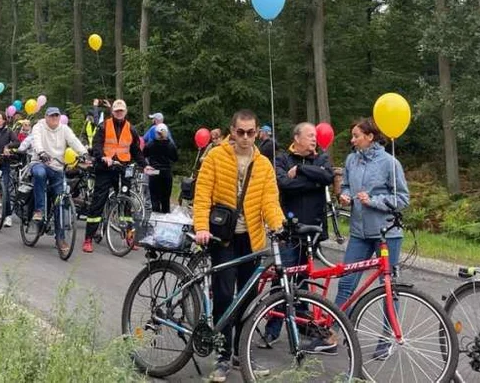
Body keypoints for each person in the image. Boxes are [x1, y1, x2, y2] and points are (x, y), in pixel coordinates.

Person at [193, 110, 285, 382]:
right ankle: (222, 356)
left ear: (257, 132)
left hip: (252, 238)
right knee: (224, 296)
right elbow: (202, 194)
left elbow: (270, 200)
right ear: (232, 131)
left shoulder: (264, 164)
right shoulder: (215, 156)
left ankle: (240, 353)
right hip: (222, 238)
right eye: (241, 132)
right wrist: (201, 227)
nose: (246, 137)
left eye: (251, 132)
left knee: (246, 300)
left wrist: (279, 225)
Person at [265, 122, 336, 348]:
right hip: (289, 231)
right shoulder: (282, 159)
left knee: (304, 283)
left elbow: (327, 177)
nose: (314, 139)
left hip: (313, 232)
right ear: (296, 138)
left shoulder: (321, 157)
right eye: (309, 135)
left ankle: (304, 327)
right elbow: (284, 184)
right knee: (282, 280)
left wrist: (303, 171)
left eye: (315, 135)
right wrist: (312, 181)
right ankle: (272, 329)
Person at [336, 118, 410, 323]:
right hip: (359, 233)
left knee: (387, 286)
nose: (352, 140)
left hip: (386, 234)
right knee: (346, 282)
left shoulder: (389, 163)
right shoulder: (352, 160)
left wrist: (373, 201)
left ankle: (388, 337)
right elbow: (346, 186)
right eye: (352, 136)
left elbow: (403, 199)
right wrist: (345, 195)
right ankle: (331, 332)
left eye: (356, 136)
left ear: (370, 137)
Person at [20, 107, 89, 255]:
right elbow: (36, 140)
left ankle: (61, 239)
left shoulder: (64, 129)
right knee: (39, 174)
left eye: (57, 116)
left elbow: (74, 141)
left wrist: (84, 153)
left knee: (60, 202)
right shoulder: (39, 126)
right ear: (46, 117)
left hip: (58, 167)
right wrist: (41, 152)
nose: (54, 119)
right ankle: (39, 210)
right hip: (40, 162)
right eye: (51, 116)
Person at [83, 99, 144, 253]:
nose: (119, 113)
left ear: (125, 112)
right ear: (112, 112)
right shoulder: (104, 126)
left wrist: (145, 165)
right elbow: (96, 145)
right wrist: (103, 157)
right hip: (105, 167)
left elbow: (136, 150)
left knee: (126, 201)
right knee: (99, 200)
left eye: (121, 111)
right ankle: (88, 238)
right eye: (116, 110)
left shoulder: (132, 129)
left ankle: (129, 236)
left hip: (123, 168)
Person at [143, 122, 178, 213]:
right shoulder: (170, 145)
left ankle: (155, 219)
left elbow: (144, 154)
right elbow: (175, 158)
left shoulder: (151, 144)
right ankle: (165, 219)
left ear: (156, 133)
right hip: (166, 172)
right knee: (165, 198)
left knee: (154, 197)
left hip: (154, 171)